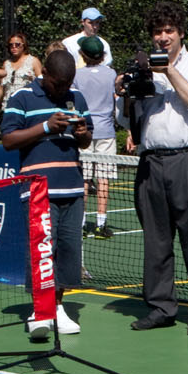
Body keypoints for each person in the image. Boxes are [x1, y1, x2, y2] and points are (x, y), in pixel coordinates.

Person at [125, 0, 188, 334]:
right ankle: (161, 307)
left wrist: (168, 71)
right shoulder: (143, 67)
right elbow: (129, 119)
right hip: (151, 161)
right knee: (156, 240)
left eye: (169, 31)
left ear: (180, 33)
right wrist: (125, 90)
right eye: (157, 32)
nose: (162, 37)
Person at [4, 49, 93, 337]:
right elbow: (8, 139)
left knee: (68, 252)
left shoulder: (76, 98)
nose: (63, 90)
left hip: (73, 189)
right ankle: (39, 312)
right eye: (58, 84)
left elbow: (86, 140)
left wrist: (81, 133)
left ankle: (57, 307)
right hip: (39, 190)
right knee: (43, 251)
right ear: (46, 77)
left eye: (68, 84)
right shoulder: (22, 98)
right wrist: (44, 126)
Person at [73, 35, 119, 239]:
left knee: (84, 179)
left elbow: (72, 101)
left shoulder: (77, 75)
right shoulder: (111, 74)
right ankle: (101, 223)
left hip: (84, 131)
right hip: (106, 131)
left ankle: (81, 223)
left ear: (83, 55)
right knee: (103, 179)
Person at [0, 30, 41, 121]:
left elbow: (41, 82)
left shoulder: (33, 61)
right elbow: (1, 87)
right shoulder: (6, 64)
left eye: (17, 44)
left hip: (27, 106)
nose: (14, 47)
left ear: (24, 45)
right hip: (9, 107)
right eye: (11, 45)